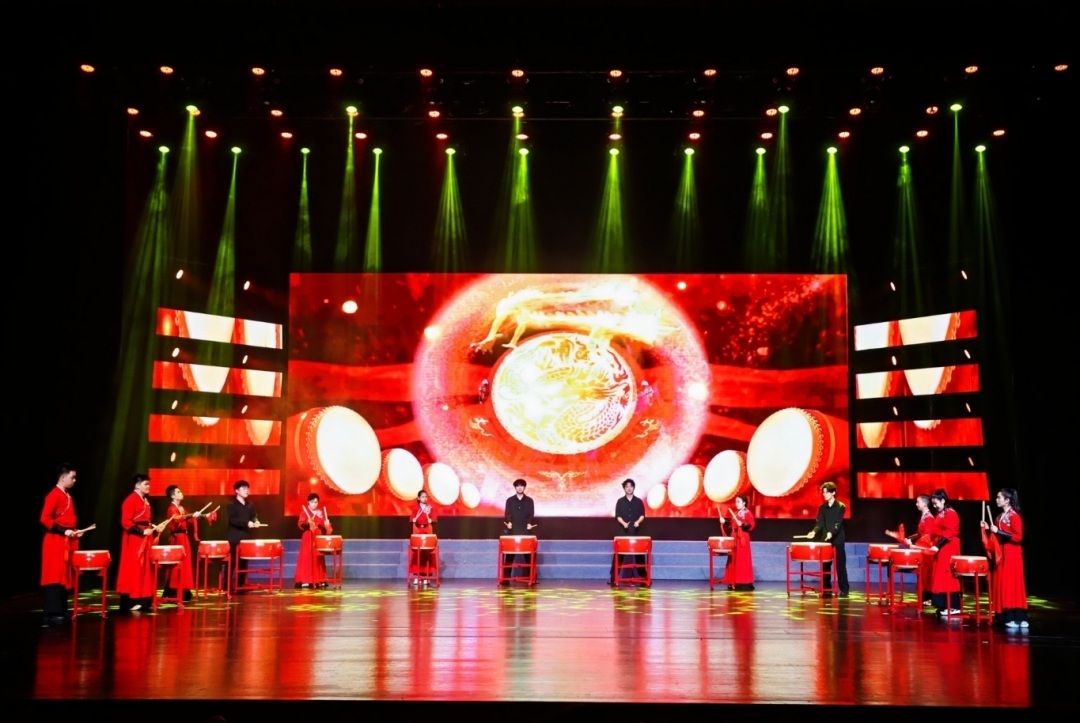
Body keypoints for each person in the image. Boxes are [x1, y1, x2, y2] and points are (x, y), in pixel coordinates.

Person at [39, 463, 87, 626]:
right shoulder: (54, 495)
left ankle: (61, 609)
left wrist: (74, 531)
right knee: (55, 574)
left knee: (64, 574)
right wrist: (63, 530)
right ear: (63, 477)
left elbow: (67, 520)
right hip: (55, 541)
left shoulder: (67, 496)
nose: (74, 480)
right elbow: (45, 519)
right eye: (72, 477)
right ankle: (53, 611)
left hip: (65, 540)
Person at [982, 488, 1029, 629]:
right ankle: (1005, 615)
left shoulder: (1014, 516)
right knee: (1003, 582)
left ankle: (1019, 617)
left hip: (1012, 552)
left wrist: (999, 531)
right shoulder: (999, 517)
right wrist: (988, 529)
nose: (996, 500)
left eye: (999, 497)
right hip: (1002, 552)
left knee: (1013, 583)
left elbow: (1018, 537)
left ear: (1007, 500)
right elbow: (997, 536)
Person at [116, 473, 157, 612]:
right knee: (135, 567)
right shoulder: (130, 500)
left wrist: (154, 527)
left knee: (145, 568)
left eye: (149, 484)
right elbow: (126, 522)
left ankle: (144, 598)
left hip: (145, 536)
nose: (148, 486)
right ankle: (133, 599)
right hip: (135, 538)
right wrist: (142, 532)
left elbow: (145, 520)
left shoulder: (144, 500)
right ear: (137, 485)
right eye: (146, 484)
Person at [885, 493, 934, 605]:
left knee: (926, 574)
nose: (916, 504)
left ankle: (928, 598)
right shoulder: (924, 516)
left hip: (926, 550)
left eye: (918, 502)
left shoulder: (929, 518)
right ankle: (924, 598)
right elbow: (920, 533)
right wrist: (908, 539)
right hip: (922, 548)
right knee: (922, 574)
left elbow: (927, 537)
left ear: (925, 504)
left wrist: (912, 544)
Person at [806, 481, 849, 597]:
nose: (824, 494)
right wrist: (813, 532)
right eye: (823, 492)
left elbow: (838, 523)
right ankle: (827, 589)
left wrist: (831, 532)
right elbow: (819, 523)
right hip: (825, 541)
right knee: (825, 566)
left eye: (827, 492)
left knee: (840, 565)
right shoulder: (822, 508)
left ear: (833, 493)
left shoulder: (840, 506)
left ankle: (844, 589)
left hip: (838, 539)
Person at [161, 485, 203, 603]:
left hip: (183, 537)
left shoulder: (181, 508)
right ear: (173, 496)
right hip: (177, 538)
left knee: (185, 564)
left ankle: (184, 590)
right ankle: (173, 590)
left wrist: (204, 516)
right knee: (176, 565)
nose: (181, 493)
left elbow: (190, 519)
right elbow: (177, 518)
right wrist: (191, 515)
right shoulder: (171, 508)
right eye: (178, 492)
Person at [928, 488, 962, 616]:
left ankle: (954, 606)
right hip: (942, 547)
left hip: (949, 546)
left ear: (943, 500)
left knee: (948, 575)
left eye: (936, 503)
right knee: (941, 575)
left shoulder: (951, 513)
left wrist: (937, 546)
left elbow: (949, 533)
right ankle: (944, 604)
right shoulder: (941, 513)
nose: (934, 506)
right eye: (933, 504)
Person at [609, 479, 645, 585]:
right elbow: (618, 516)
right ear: (624, 488)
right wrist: (624, 523)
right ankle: (613, 578)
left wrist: (638, 522)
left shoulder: (639, 501)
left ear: (634, 488)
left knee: (640, 555)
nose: (629, 488)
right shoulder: (620, 501)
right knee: (619, 555)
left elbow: (642, 515)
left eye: (631, 486)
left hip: (636, 532)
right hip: (623, 533)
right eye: (627, 486)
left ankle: (643, 577)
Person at [501, 478, 537, 584]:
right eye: (518, 486)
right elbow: (507, 513)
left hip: (525, 531)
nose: (520, 488)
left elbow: (531, 514)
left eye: (521, 486)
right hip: (513, 531)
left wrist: (529, 523)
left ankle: (531, 578)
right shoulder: (510, 500)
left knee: (528, 556)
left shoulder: (529, 500)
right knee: (510, 555)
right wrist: (509, 522)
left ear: (524, 487)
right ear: (515, 487)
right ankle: (506, 578)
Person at [295, 493, 332, 589]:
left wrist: (327, 524)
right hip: (308, 537)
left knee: (318, 558)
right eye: (312, 502)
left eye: (316, 502)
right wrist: (308, 523)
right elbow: (301, 525)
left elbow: (326, 528)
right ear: (308, 502)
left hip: (318, 537)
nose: (314, 504)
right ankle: (306, 579)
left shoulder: (320, 513)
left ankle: (319, 579)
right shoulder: (304, 512)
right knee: (307, 558)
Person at [226, 480, 260, 579]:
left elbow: (254, 516)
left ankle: (240, 584)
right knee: (232, 562)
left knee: (243, 562)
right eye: (244, 488)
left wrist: (256, 521)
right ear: (236, 490)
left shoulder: (250, 504)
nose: (247, 490)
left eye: (247, 488)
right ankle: (227, 584)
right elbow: (232, 520)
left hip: (246, 538)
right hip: (234, 538)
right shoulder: (231, 505)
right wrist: (246, 523)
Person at [722, 494, 755, 591]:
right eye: (736, 502)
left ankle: (743, 582)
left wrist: (743, 524)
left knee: (742, 559)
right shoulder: (736, 513)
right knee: (733, 558)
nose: (736, 503)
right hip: (734, 537)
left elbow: (752, 525)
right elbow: (732, 524)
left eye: (738, 502)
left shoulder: (747, 513)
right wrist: (725, 522)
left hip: (742, 537)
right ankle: (732, 581)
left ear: (744, 503)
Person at [409, 490, 437, 586]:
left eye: (426, 497)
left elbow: (434, 519)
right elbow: (411, 518)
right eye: (423, 497)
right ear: (419, 498)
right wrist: (413, 519)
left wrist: (431, 520)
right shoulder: (415, 508)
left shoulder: (430, 508)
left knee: (427, 553)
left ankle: (427, 576)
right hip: (418, 530)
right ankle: (417, 576)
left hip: (427, 530)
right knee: (417, 553)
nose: (425, 498)